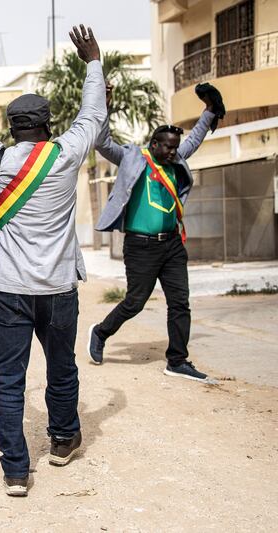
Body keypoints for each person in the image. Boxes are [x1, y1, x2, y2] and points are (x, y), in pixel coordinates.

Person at [0, 25, 105, 497]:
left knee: (7, 381)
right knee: (61, 369)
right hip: (58, 289)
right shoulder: (66, 154)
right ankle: (61, 442)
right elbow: (93, 113)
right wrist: (93, 61)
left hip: (10, 293)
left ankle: (16, 470)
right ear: (48, 123)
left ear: (12, 128)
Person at [86, 82, 222, 383]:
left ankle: (177, 360)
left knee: (180, 302)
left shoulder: (176, 159)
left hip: (172, 244)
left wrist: (209, 113)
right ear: (155, 144)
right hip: (140, 246)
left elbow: (195, 140)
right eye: (169, 147)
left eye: (176, 147)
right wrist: (104, 103)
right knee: (135, 302)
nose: (174, 152)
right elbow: (102, 141)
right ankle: (100, 331)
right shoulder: (133, 157)